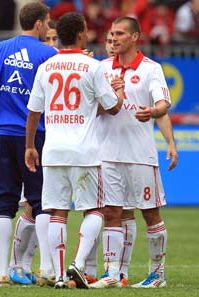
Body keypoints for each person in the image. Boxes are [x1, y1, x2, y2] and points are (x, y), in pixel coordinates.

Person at [25, 12, 124, 289]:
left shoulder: (47, 66)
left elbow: (33, 111)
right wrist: (120, 91)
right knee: (94, 210)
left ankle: (58, 276)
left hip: (54, 151)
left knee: (58, 212)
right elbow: (112, 107)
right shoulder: (93, 67)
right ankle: (77, 264)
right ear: (81, 34)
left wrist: (30, 146)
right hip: (84, 152)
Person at [0, 2, 57, 286]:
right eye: (47, 22)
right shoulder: (50, 54)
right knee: (40, 201)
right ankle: (46, 269)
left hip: (3, 135)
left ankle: (2, 272)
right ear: (40, 23)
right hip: (35, 135)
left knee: (4, 203)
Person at [91, 16, 177, 289]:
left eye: (119, 34)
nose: (113, 38)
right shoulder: (101, 68)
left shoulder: (151, 69)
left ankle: (157, 274)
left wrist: (153, 111)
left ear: (135, 37)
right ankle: (112, 274)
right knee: (112, 213)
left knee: (150, 214)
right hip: (106, 154)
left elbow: (162, 103)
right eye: (111, 34)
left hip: (140, 155)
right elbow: (90, 106)